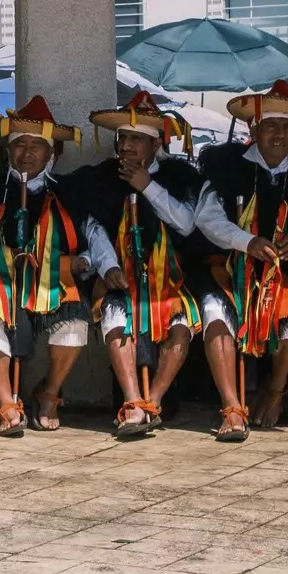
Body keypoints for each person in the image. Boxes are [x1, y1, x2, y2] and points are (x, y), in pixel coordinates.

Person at [194, 81, 288, 441]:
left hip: (281, 275)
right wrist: (246, 242)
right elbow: (208, 218)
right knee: (216, 315)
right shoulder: (225, 166)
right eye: (270, 126)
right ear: (254, 129)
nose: (279, 135)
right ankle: (232, 407)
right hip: (228, 271)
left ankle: (275, 392)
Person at [0, 96, 114, 437]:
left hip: (55, 283)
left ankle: (50, 392)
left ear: (52, 153)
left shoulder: (71, 191)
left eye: (37, 146)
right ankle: (6, 402)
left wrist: (82, 263)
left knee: (74, 324)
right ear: (8, 151)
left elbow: (95, 236)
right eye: (20, 145)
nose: (27, 154)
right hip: (0, 282)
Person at [84, 93, 205, 440]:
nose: (125, 145)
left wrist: (147, 187)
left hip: (169, 282)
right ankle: (132, 401)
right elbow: (94, 226)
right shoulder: (101, 179)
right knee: (115, 319)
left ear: (156, 143)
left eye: (135, 138)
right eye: (122, 137)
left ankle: (153, 401)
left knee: (182, 324)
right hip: (122, 281)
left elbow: (185, 224)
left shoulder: (177, 177)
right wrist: (108, 266)